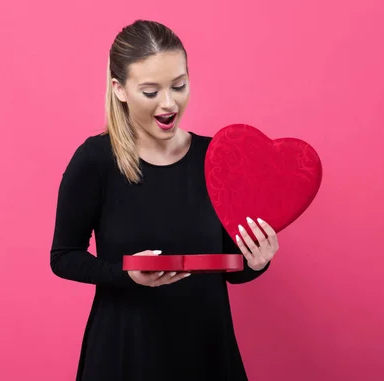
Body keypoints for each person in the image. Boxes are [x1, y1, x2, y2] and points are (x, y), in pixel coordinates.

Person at [50, 19, 278, 381]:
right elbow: (63, 257)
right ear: (119, 89)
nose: (169, 103)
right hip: (126, 351)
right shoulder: (95, 160)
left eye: (179, 85)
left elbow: (230, 269)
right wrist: (125, 274)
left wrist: (257, 260)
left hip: (206, 349)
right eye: (151, 91)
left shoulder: (214, 158)